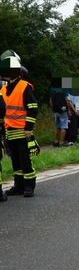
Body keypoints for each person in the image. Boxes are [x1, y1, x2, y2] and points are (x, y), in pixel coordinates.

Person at [0, 50, 38, 197]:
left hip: (23, 131)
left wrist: (29, 128)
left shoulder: (24, 86)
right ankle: (19, 185)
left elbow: (33, 109)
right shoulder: (3, 89)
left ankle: (29, 186)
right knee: (15, 160)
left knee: (25, 159)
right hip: (9, 131)